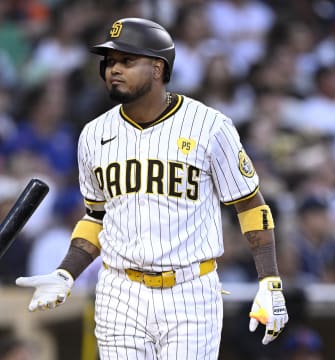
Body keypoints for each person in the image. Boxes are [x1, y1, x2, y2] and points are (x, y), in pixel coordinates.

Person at [15, 17, 288, 359]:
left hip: (189, 288)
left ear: (158, 68)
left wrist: (270, 281)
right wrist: (65, 272)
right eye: (109, 61)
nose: (113, 69)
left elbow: (251, 207)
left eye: (127, 61)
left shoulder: (210, 126)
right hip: (120, 290)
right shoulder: (93, 135)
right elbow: (96, 218)